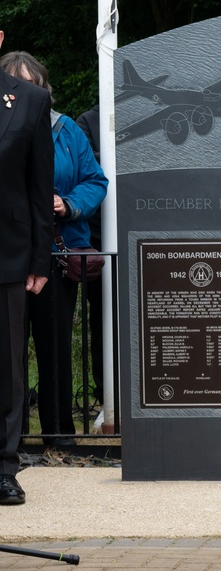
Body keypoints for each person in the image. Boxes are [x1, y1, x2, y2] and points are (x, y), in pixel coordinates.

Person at [0, 51, 108, 445]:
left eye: (33, 83)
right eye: (17, 83)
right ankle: (13, 441)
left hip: (58, 253)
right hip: (9, 254)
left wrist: (68, 202)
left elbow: (96, 180)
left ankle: (58, 434)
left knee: (56, 348)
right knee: (8, 354)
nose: (26, 91)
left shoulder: (66, 130)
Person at [0, 30, 53, 506]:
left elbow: (40, 188)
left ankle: (3, 467)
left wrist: (40, 258)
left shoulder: (29, 100)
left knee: (7, 368)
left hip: (7, 254)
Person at [74, 105, 106, 418]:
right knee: (102, 317)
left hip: (150, 233)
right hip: (100, 239)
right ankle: (106, 395)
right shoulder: (88, 122)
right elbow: (85, 177)